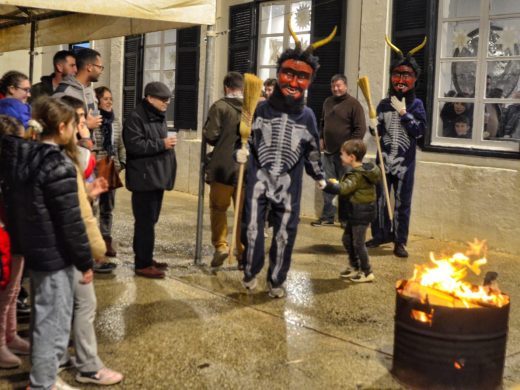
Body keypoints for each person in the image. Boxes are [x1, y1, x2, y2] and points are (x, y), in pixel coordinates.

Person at [0, 97, 93, 390]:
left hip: (35, 251)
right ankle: (42, 383)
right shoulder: (57, 164)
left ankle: (44, 379)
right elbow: (70, 221)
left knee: (45, 316)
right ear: (63, 127)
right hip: (55, 255)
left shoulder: (22, 157)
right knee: (53, 320)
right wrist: (84, 260)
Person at [237, 23, 335, 298]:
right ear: (278, 73)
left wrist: (318, 176)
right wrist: (240, 151)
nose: (293, 82)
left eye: (301, 77)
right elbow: (245, 138)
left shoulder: (308, 117)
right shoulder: (260, 109)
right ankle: (249, 271)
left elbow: (312, 150)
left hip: (288, 184)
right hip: (259, 178)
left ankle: (276, 279)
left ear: (310, 81)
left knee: (284, 233)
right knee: (253, 228)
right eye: (288, 74)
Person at [58, 108, 123, 386]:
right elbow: (72, 214)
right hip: (68, 247)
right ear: (64, 127)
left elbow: (71, 191)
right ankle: (84, 366)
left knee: (63, 308)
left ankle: (59, 358)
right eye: (80, 122)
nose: (85, 126)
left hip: (62, 248)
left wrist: (88, 190)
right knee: (83, 304)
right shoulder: (62, 159)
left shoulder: (57, 158)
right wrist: (86, 258)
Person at [367, 36, 427, 258]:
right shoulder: (384, 103)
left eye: (406, 75)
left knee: (403, 203)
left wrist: (403, 113)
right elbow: (378, 131)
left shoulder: (416, 104)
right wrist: (373, 127)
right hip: (383, 160)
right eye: (397, 74)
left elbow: (419, 132)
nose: (401, 79)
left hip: (404, 163)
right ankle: (381, 234)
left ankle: (400, 241)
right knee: (378, 199)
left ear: (414, 79)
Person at [123, 81, 177, 279]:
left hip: (156, 176)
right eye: (163, 99)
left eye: (168, 99)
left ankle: (146, 257)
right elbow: (134, 145)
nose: (167, 103)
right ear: (149, 98)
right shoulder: (136, 118)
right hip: (144, 178)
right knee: (145, 222)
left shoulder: (157, 116)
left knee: (150, 221)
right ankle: (142, 264)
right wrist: (161, 143)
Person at [321, 139, 381, 283]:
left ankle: (366, 272)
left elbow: (344, 188)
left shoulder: (357, 175)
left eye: (342, 154)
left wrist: (327, 185)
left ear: (352, 157)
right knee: (347, 239)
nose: (340, 157)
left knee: (358, 243)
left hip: (361, 213)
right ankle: (355, 266)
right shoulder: (359, 172)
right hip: (356, 212)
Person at [311, 74, 366, 227]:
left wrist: (349, 148)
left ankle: (346, 219)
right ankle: (327, 217)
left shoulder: (354, 104)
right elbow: (323, 122)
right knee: (327, 185)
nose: (335, 88)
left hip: (346, 156)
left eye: (339, 85)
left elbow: (360, 129)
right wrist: (321, 138)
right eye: (333, 86)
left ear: (346, 86)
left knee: (346, 187)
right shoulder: (327, 102)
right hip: (328, 152)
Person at [203, 72, 244, 267]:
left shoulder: (219, 107)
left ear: (227, 87)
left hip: (223, 167)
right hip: (246, 168)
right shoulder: (252, 108)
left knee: (219, 208)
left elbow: (211, 135)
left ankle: (221, 246)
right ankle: (243, 249)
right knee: (243, 211)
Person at [0, 115, 29, 369]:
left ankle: (11, 335)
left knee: (14, 289)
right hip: (5, 233)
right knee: (4, 290)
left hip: (17, 231)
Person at [94, 86, 126, 258]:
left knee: (108, 207)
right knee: (92, 206)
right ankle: (92, 242)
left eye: (110, 98)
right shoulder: (93, 119)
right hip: (95, 166)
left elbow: (120, 144)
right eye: (105, 98)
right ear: (98, 100)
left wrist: (121, 163)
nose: (109, 102)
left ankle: (106, 240)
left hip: (111, 166)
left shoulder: (116, 121)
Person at [53, 48, 104, 133]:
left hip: (88, 145)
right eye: (100, 67)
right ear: (90, 67)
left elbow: (94, 122)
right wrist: (86, 125)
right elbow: (56, 126)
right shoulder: (63, 92)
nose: (101, 71)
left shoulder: (90, 92)